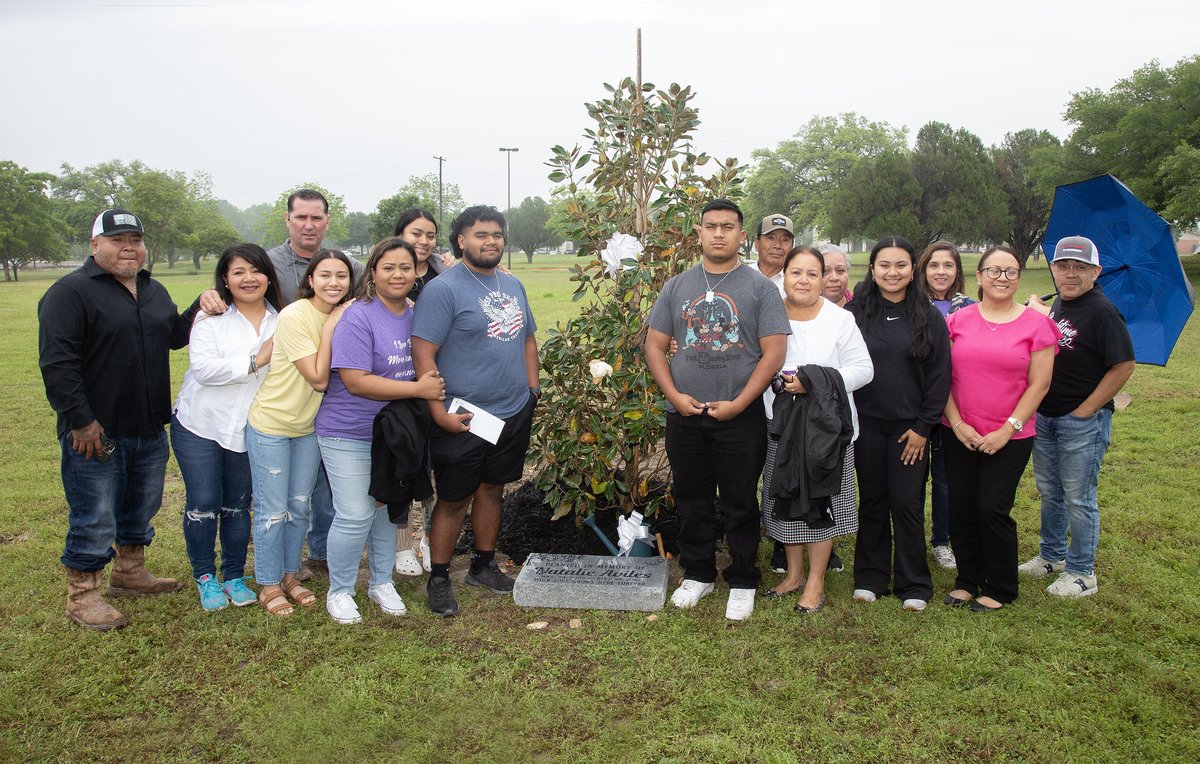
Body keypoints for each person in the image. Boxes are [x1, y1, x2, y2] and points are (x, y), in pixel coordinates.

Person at [38, 209, 197, 630]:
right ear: (95, 245)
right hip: (95, 431)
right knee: (95, 513)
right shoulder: (70, 292)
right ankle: (82, 595)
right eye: (117, 239)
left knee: (140, 506)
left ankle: (129, 574)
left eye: (135, 239)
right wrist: (80, 420)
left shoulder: (153, 289)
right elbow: (58, 364)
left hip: (148, 425)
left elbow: (175, 336)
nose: (129, 246)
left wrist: (205, 304)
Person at [645, 199, 789, 621]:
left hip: (739, 417)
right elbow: (655, 345)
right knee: (692, 498)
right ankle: (699, 572)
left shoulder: (760, 288)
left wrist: (740, 403)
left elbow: (774, 353)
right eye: (711, 226)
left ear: (742, 236)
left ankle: (743, 578)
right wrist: (674, 396)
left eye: (728, 226)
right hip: (685, 416)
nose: (719, 233)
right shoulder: (677, 286)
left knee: (740, 500)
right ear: (700, 233)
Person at [412, 205, 540, 617]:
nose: (491, 241)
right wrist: (438, 412)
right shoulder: (443, 289)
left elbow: (527, 339)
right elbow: (423, 352)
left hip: (512, 410)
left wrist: (532, 391)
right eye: (481, 235)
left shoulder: (512, 283)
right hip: (462, 415)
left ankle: (484, 565)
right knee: (453, 498)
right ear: (461, 240)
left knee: (493, 488)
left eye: (497, 235)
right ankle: (439, 577)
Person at [319, 238, 446, 624]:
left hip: (393, 434)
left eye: (405, 267)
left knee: (382, 508)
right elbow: (356, 381)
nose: (397, 274)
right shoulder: (358, 315)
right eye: (388, 267)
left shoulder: (417, 314)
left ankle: (379, 582)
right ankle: (339, 590)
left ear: (416, 272)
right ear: (372, 273)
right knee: (355, 512)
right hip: (348, 430)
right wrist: (417, 390)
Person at [942, 246, 1059, 612]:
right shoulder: (958, 321)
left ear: (1019, 278)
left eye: (1010, 272)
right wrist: (957, 422)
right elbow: (941, 377)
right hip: (958, 430)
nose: (1002, 278)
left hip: (1010, 435)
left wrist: (1007, 429)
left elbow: (1039, 384)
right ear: (979, 276)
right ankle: (967, 579)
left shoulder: (1038, 324)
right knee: (960, 508)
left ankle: (1001, 586)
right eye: (994, 271)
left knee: (992, 507)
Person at [760, 246, 873, 613]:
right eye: (796, 272)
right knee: (787, 499)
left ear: (824, 278)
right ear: (785, 276)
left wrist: (814, 380)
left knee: (821, 502)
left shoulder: (840, 320)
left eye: (812, 273)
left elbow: (863, 369)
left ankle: (816, 582)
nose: (803, 280)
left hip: (828, 433)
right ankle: (793, 574)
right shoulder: (768, 316)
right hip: (780, 427)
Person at [1020, 236, 1135, 597]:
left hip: (1081, 420)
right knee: (1050, 490)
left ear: (1095, 272)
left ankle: (1083, 572)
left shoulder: (1102, 312)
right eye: (1063, 266)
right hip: (1047, 415)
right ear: (1053, 268)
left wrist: (1087, 409)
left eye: (1080, 268)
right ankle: (1052, 556)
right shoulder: (1057, 307)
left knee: (1079, 496)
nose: (1070, 274)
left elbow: (1123, 365)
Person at [171, 243, 282, 611]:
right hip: (200, 424)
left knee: (238, 505)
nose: (248, 279)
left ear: (269, 275)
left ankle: (234, 575)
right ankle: (206, 577)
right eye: (238, 272)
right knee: (203, 503)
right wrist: (256, 360)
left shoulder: (281, 319)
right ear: (225, 280)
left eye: (256, 270)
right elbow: (204, 371)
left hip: (249, 428)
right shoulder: (210, 317)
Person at [246, 250, 353, 616]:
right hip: (273, 424)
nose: (334, 282)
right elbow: (319, 378)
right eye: (325, 275)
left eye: (342, 275)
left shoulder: (346, 315)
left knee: (298, 507)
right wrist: (329, 326)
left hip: (308, 427)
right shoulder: (295, 316)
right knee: (272, 510)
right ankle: (269, 583)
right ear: (310, 280)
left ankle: (290, 574)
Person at [265, 188, 364, 580]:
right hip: (286, 386)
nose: (309, 224)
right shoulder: (269, 263)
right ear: (287, 219)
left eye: (316, 217)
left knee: (322, 485)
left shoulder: (348, 265)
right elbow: (232, 284)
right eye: (301, 217)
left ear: (326, 221)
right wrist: (208, 298)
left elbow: (398, 271)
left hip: (333, 392)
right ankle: (277, 567)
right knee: (283, 491)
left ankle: (319, 552)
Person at [847, 237, 951, 612]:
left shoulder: (928, 315)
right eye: (884, 265)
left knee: (906, 503)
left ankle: (914, 583)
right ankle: (871, 577)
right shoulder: (855, 312)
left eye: (901, 265)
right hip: (867, 426)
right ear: (872, 269)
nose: (892, 273)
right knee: (872, 501)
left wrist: (924, 427)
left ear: (913, 271)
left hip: (911, 430)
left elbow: (941, 377)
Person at [391, 208, 453, 575]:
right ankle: (401, 545)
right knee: (402, 467)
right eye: (416, 233)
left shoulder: (443, 275)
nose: (424, 241)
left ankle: (430, 541)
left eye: (430, 235)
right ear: (400, 234)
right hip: (398, 382)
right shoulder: (387, 271)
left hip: (437, 380)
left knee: (435, 468)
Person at [916, 240, 976, 570]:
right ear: (923, 269)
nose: (941, 272)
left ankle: (942, 540)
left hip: (955, 408)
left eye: (948, 265)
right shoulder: (912, 304)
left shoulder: (970, 308)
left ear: (957, 271)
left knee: (944, 480)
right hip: (916, 405)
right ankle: (909, 538)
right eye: (934, 265)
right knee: (912, 480)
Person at [748, 213, 794, 292]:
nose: (777, 245)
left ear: (792, 246)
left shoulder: (797, 282)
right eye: (771, 238)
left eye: (785, 240)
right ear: (757, 244)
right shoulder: (741, 276)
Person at [819, 243, 853, 308]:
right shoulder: (801, 312)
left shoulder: (863, 308)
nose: (834, 278)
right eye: (825, 271)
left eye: (840, 270)